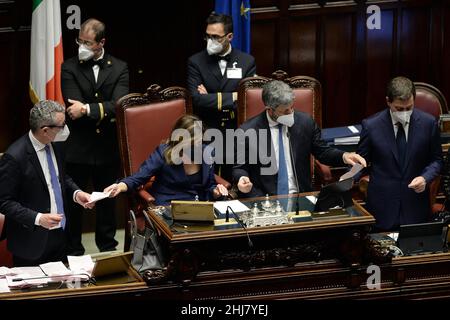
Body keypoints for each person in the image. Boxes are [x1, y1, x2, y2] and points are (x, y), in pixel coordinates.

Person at [61, 18, 129, 255]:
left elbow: (119, 105)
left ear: (101, 42)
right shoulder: (69, 67)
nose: (81, 45)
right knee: (75, 203)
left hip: (107, 147)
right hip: (78, 148)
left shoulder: (119, 67)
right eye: (80, 40)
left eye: (87, 42)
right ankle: (73, 251)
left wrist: (87, 109)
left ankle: (108, 251)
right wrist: (101, 109)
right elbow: (72, 108)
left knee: (107, 204)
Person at [232, 80, 366, 198]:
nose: (291, 113)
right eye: (285, 111)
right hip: (265, 198)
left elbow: (322, 152)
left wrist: (344, 156)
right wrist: (242, 178)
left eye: (292, 108)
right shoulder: (247, 131)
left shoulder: (305, 122)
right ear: (270, 110)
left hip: (301, 195)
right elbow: (240, 168)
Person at [0, 100, 93, 266]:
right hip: (31, 240)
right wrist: (38, 218)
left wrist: (76, 193)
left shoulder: (56, 145)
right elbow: (4, 202)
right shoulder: (14, 157)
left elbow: (61, 178)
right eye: (62, 125)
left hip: (60, 234)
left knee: (61, 288)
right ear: (45, 130)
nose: (65, 129)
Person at [357, 76, 443, 231]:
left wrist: (425, 178)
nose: (404, 113)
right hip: (382, 209)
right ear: (388, 101)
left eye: (409, 108)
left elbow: (437, 160)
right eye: (399, 108)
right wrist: (345, 181)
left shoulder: (428, 124)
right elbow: (360, 163)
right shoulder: (371, 126)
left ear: (414, 101)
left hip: (415, 207)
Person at [187, 13, 256, 181]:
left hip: (236, 129)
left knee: (237, 179)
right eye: (208, 36)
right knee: (211, 183)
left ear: (230, 37)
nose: (210, 41)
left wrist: (210, 97)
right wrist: (233, 97)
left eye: (216, 37)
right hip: (208, 131)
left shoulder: (246, 61)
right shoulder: (196, 61)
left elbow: (247, 101)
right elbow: (196, 99)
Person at [104, 115, 229, 205]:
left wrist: (215, 191)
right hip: (170, 207)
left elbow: (209, 184)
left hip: (202, 207)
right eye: (193, 143)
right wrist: (120, 186)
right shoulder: (164, 152)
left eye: (200, 142)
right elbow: (139, 177)